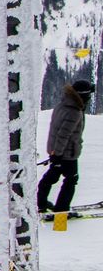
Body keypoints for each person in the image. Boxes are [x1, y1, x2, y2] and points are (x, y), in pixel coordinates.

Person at [39, 77, 92, 216]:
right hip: (66, 153)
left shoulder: (63, 105)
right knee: (71, 180)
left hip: (57, 150)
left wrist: (54, 153)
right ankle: (61, 210)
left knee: (51, 177)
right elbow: (63, 134)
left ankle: (40, 203)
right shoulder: (74, 111)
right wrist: (58, 155)